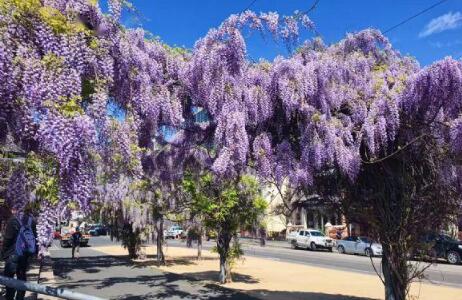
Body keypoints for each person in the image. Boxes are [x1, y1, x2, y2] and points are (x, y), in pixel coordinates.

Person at [1, 207, 37, 300]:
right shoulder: (31, 220)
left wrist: (3, 253)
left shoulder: (12, 220)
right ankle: (20, 297)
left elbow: (7, 239)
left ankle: (10, 296)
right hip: (25, 254)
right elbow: (35, 238)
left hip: (12, 254)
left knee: (9, 278)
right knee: (21, 276)